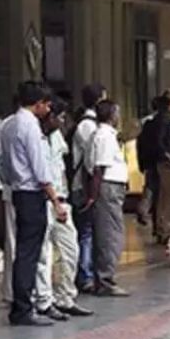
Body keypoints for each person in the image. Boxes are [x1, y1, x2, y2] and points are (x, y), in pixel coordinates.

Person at [0, 82, 64, 326]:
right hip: (31, 192)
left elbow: (1, 162)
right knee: (30, 253)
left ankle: (21, 303)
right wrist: (55, 199)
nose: (48, 109)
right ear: (37, 104)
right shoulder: (30, 126)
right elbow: (40, 167)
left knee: (22, 252)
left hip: (16, 190)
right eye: (46, 104)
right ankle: (24, 307)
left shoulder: (8, 124)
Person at [35, 97, 91, 318]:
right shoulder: (36, 138)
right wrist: (54, 201)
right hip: (45, 200)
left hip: (61, 199)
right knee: (44, 255)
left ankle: (65, 296)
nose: (62, 121)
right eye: (58, 116)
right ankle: (43, 300)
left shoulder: (57, 137)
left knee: (70, 250)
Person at [87, 100, 130, 297]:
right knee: (109, 234)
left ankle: (103, 277)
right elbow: (99, 167)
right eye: (117, 112)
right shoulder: (104, 136)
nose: (119, 117)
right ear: (111, 115)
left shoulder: (107, 135)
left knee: (110, 232)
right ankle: (105, 279)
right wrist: (94, 195)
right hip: (108, 187)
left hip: (112, 186)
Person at [70, 83, 106, 292]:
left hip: (87, 184)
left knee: (89, 229)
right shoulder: (88, 126)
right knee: (86, 230)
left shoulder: (90, 125)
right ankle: (84, 274)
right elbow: (91, 160)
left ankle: (87, 270)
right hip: (83, 185)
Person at [152, 90, 170, 244]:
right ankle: (166, 230)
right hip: (167, 162)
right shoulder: (165, 119)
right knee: (169, 198)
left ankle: (163, 228)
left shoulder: (169, 118)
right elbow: (161, 143)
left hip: (168, 161)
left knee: (166, 197)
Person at [135, 95, 166, 229]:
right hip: (158, 159)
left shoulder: (145, 122)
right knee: (159, 190)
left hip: (148, 159)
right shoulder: (161, 121)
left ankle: (145, 210)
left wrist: (141, 161)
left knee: (150, 187)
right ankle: (148, 212)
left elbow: (140, 143)